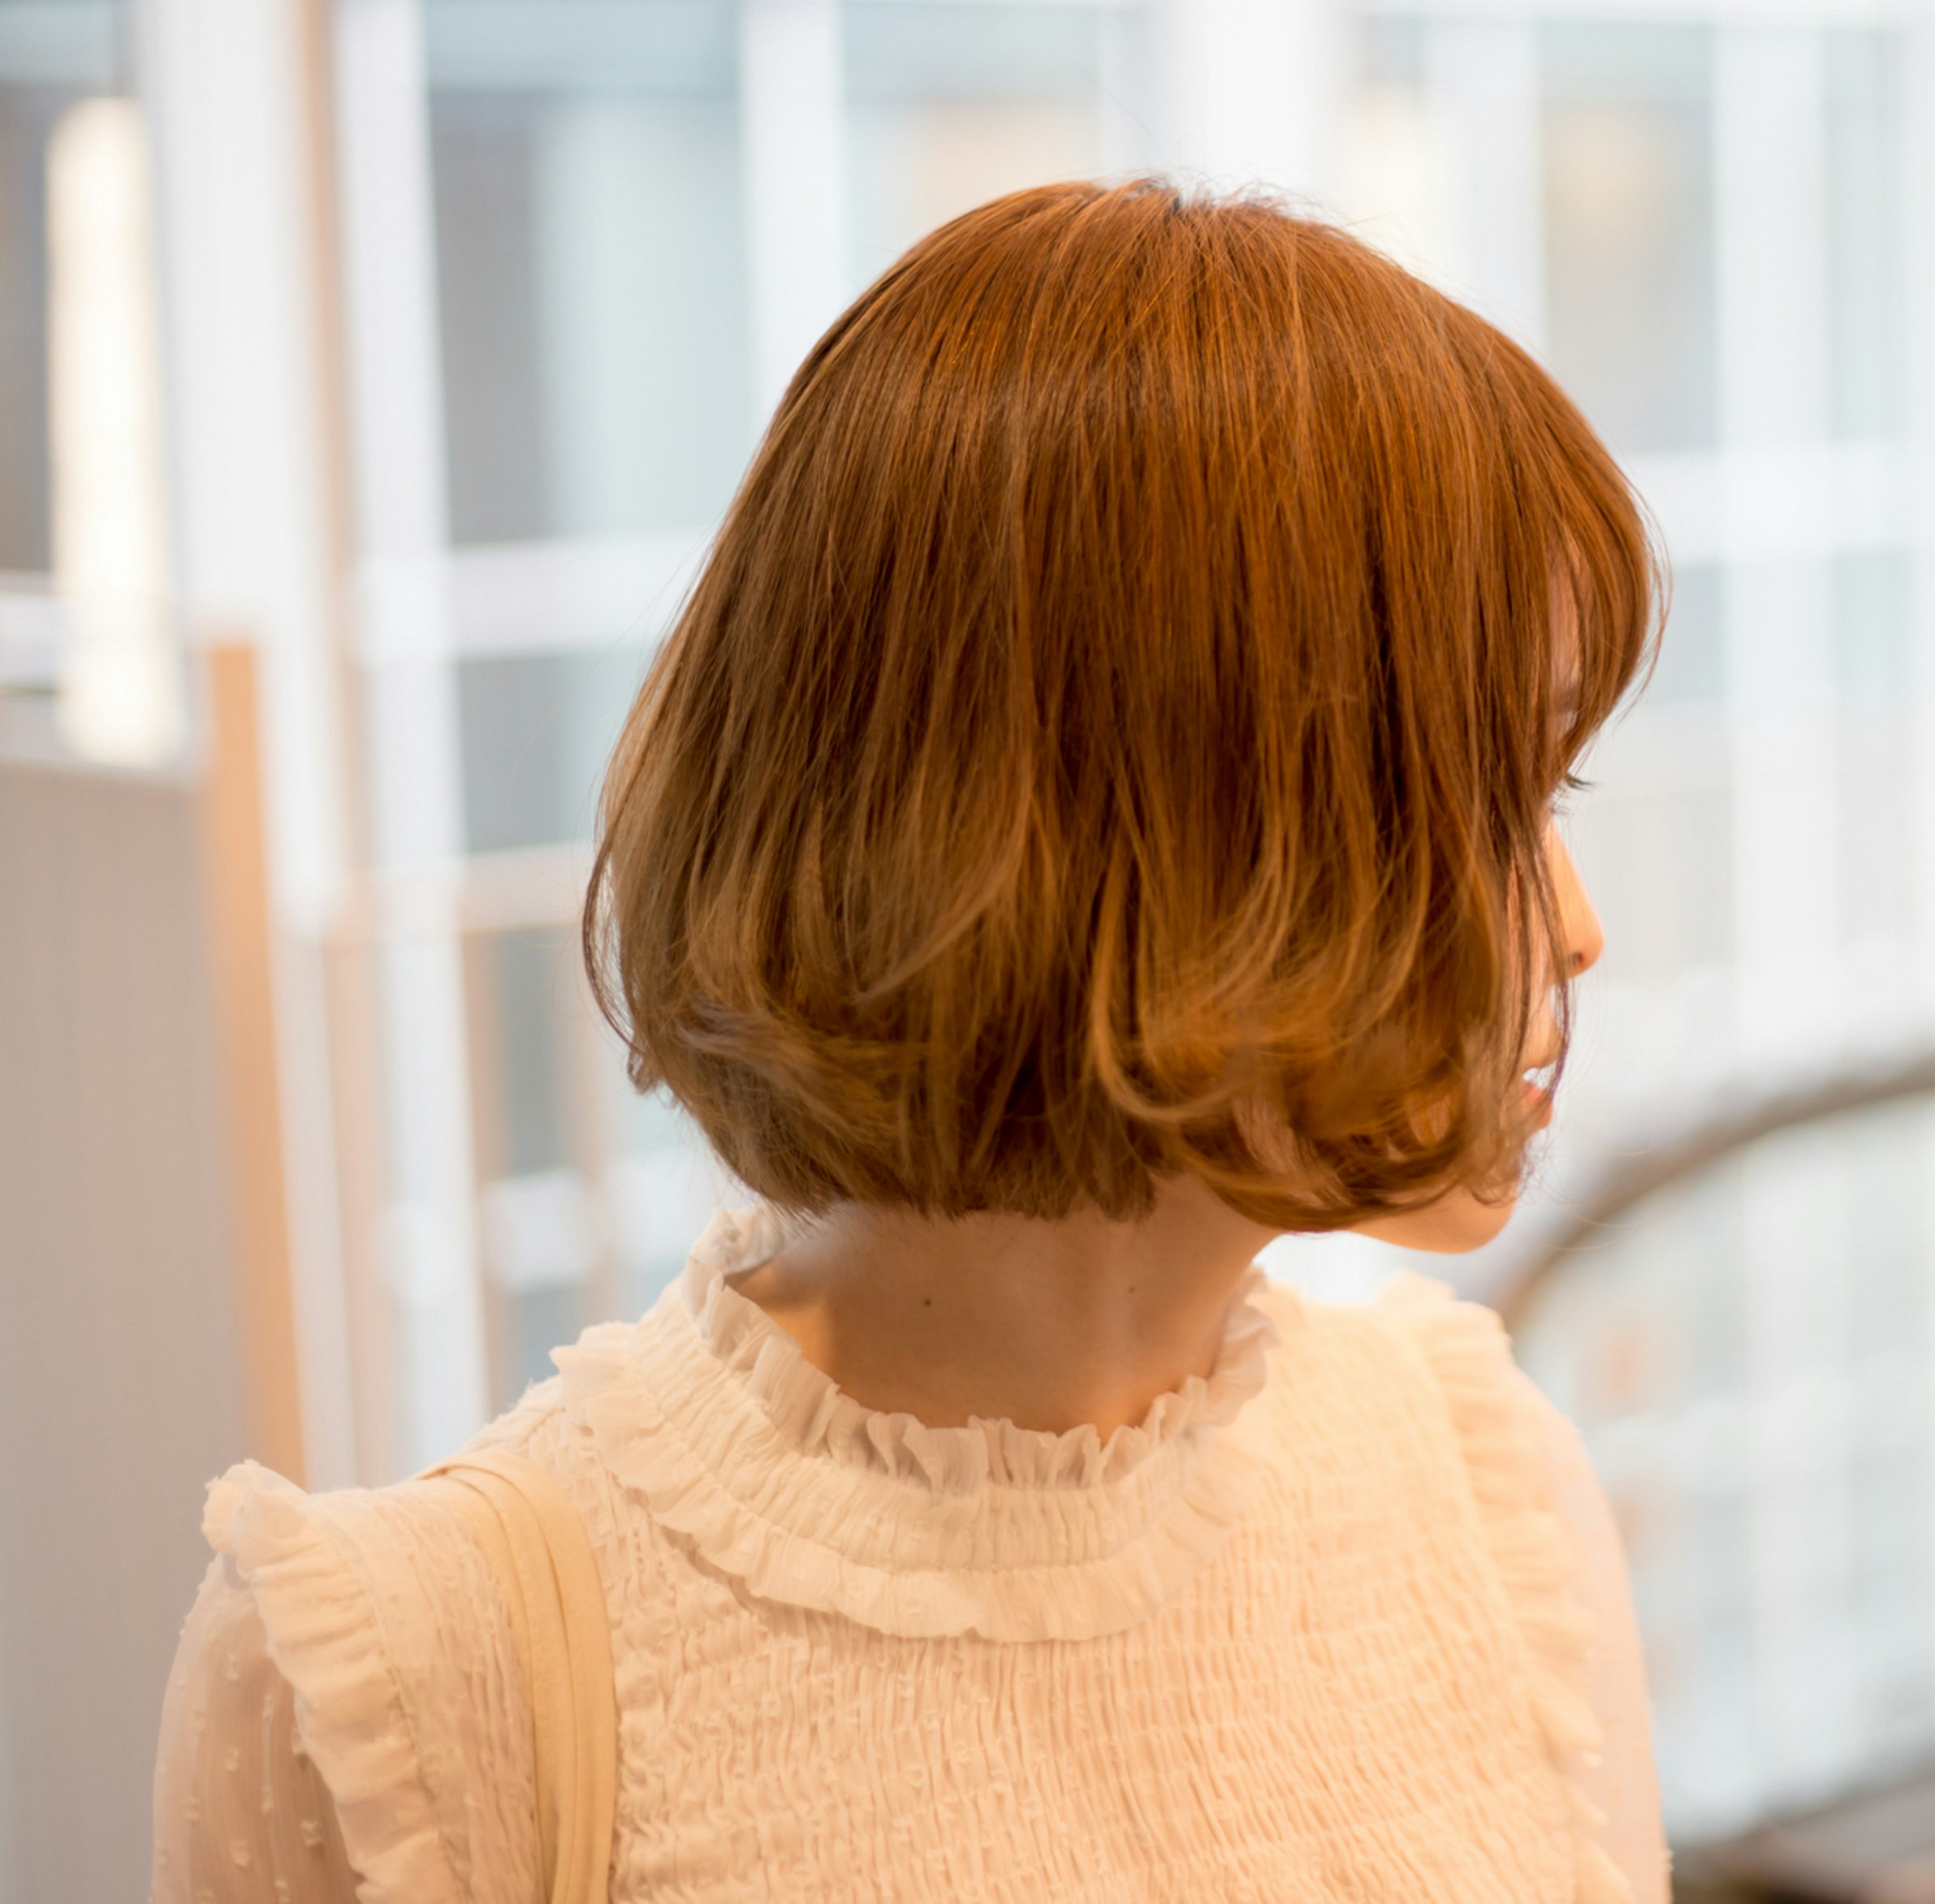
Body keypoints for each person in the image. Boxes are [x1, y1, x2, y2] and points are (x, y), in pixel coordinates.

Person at [150, 180, 1669, 1903]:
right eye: (1496, 795)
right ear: (1157, 834)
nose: (1574, 920)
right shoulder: (404, 1679)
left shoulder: (1485, 1488)